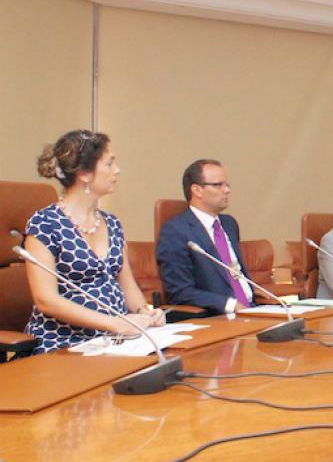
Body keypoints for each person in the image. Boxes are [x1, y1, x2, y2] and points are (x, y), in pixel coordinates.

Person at [23, 130, 165, 354]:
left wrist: (145, 311)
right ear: (85, 174)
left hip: (117, 341)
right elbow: (46, 300)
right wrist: (114, 323)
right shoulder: (44, 224)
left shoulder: (113, 223)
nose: (117, 170)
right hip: (64, 344)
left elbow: (128, 286)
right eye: (109, 163)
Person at [157, 159, 254, 314]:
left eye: (227, 185)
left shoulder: (229, 224)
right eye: (218, 185)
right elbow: (180, 292)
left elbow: (236, 273)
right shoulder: (175, 231)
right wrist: (230, 305)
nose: (227, 190)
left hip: (254, 308)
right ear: (197, 190)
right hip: (219, 315)